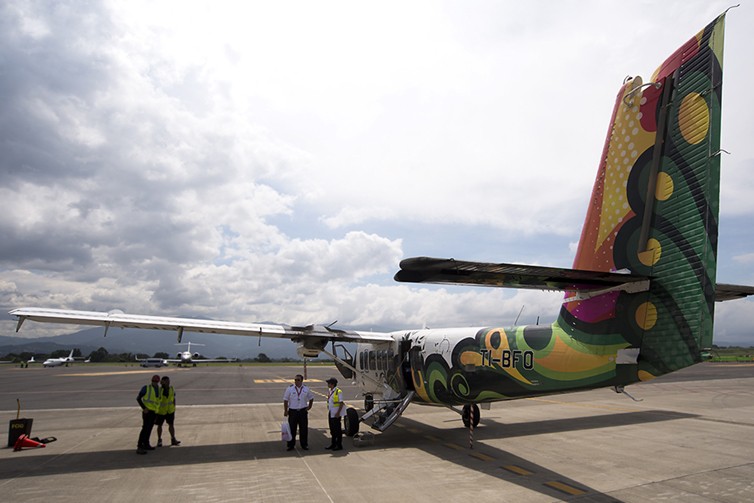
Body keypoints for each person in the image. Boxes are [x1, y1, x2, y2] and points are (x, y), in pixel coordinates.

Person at [282, 374, 314, 451]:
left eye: (298, 380)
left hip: (303, 411)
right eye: (295, 380)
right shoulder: (290, 389)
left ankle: (304, 445)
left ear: (302, 381)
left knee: (303, 429)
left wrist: (309, 407)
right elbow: (285, 400)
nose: (296, 381)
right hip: (293, 411)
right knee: (292, 429)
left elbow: (311, 398)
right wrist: (286, 410)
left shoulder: (306, 389)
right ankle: (290, 445)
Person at [136, 374, 161, 454]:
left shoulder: (159, 389)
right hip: (147, 412)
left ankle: (146, 443)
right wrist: (144, 408)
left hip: (154, 412)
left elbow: (157, 401)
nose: (154, 382)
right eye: (154, 381)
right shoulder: (146, 388)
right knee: (145, 429)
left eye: (156, 381)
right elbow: (138, 398)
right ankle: (140, 446)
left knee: (149, 428)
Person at [155, 376, 180, 447]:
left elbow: (173, 397)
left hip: (170, 410)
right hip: (161, 411)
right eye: (166, 381)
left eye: (168, 381)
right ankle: (159, 440)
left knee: (171, 425)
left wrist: (174, 406)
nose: (168, 382)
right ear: (162, 382)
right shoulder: (159, 390)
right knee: (159, 425)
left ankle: (173, 439)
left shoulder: (171, 389)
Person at [325, 377, 346, 451]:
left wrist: (338, 413)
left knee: (337, 430)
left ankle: (339, 445)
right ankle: (333, 443)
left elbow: (341, 403)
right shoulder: (330, 391)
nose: (328, 384)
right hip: (331, 411)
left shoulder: (338, 391)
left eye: (329, 383)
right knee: (332, 429)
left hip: (336, 412)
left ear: (332, 384)